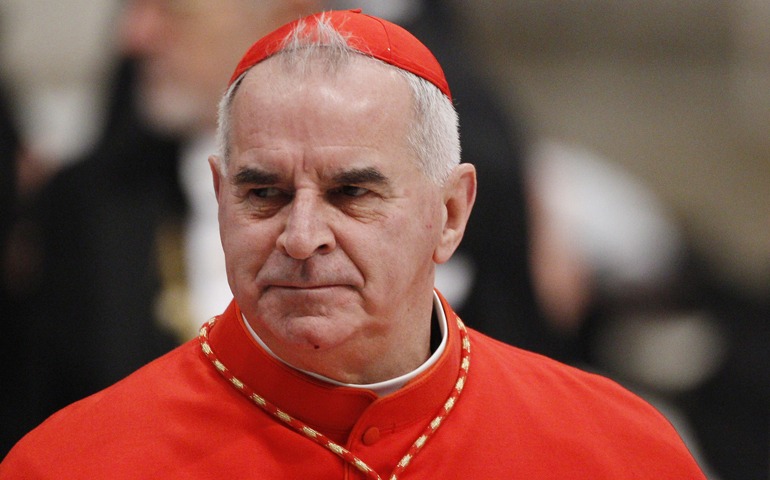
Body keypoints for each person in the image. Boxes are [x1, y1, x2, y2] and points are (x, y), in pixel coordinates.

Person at [1, 11, 707, 478]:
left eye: (353, 193)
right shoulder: (73, 463)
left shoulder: (619, 450)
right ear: (219, 202)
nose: (302, 239)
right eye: (264, 194)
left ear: (452, 212)